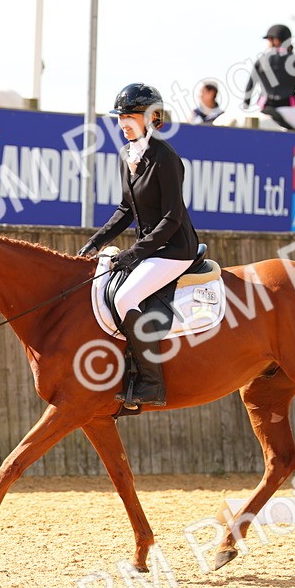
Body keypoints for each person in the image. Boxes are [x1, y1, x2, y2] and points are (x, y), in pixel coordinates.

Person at [77, 83, 201, 408]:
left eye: (130, 116)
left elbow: (172, 218)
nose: (124, 123)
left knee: (125, 296)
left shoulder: (166, 157)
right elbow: (125, 209)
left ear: (152, 117)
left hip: (175, 249)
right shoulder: (126, 155)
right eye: (120, 117)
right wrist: (96, 241)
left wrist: (134, 253)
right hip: (151, 249)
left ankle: (151, 383)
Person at [243, 23, 295, 134]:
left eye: (269, 40)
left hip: (263, 107)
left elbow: (250, 87)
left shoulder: (261, 60)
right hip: (288, 108)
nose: (268, 43)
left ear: (276, 40)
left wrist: (246, 106)